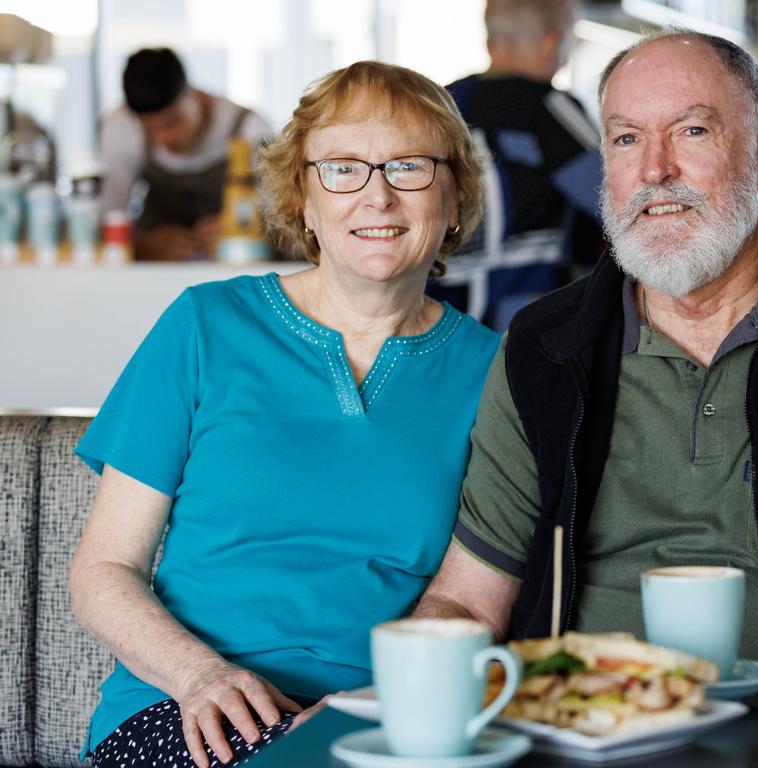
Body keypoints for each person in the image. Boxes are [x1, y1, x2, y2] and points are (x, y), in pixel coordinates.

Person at [413, 29, 758, 675]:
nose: (655, 171)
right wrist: (400, 699)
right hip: (578, 721)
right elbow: (468, 601)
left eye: (692, 132)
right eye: (627, 139)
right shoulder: (543, 346)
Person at [70, 61, 499, 768]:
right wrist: (199, 675)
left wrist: (372, 706)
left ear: (455, 198)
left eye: (410, 167)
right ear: (303, 197)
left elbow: (474, 601)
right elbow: (103, 570)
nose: (378, 195)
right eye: (342, 168)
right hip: (182, 710)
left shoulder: (496, 376)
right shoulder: (205, 327)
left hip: (382, 720)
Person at [429, 0, 604, 329]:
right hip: (527, 312)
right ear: (552, 41)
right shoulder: (550, 108)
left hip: (441, 313)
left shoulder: (439, 105)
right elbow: (616, 197)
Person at [98, 48, 274, 261]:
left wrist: (243, 234)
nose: (162, 138)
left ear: (195, 96)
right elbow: (110, 217)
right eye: (149, 129)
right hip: (155, 272)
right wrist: (142, 246)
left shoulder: (249, 128)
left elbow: (284, 218)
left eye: (172, 123)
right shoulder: (121, 127)